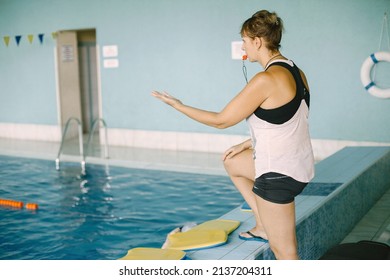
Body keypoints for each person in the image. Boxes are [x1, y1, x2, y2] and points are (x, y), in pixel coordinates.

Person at [152, 10, 314, 260]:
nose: (243, 46)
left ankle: (268, 228)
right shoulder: (296, 72)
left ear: (258, 41)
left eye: (245, 40)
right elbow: (291, 120)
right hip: (298, 165)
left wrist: (178, 105)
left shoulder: (266, 79)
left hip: (278, 174)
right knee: (232, 161)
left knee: (285, 252)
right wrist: (247, 143)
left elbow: (221, 121)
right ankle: (262, 225)